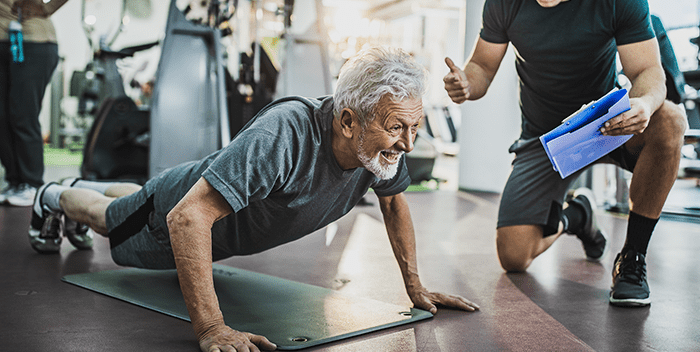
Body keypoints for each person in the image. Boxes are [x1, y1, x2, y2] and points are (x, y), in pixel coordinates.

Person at [31, 46, 479, 351]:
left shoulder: (376, 148)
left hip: (188, 193)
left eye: (414, 128)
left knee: (140, 197)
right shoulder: (284, 136)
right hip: (177, 209)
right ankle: (54, 196)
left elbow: (395, 202)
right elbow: (187, 219)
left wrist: (415, 287)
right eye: (398, 128)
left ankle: (93, 191)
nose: (406, 144)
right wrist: (211, 328)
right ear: (348, 121)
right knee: (110, 219)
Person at [443, 0, 686, 307]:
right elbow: (482, 68)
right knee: (514, 257)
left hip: (607, 124)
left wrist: (644, 103)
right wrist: (466, 85)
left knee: (670, 120)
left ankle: (633, 258)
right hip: (546, 136)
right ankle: (578, 216)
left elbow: (647, 72)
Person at [0, 0, 82, 206]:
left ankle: (33, 184)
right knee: (3, 117)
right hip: (5, 44)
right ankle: (14, 181)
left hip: (32, 43)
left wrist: (45, 8)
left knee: (22, 114)